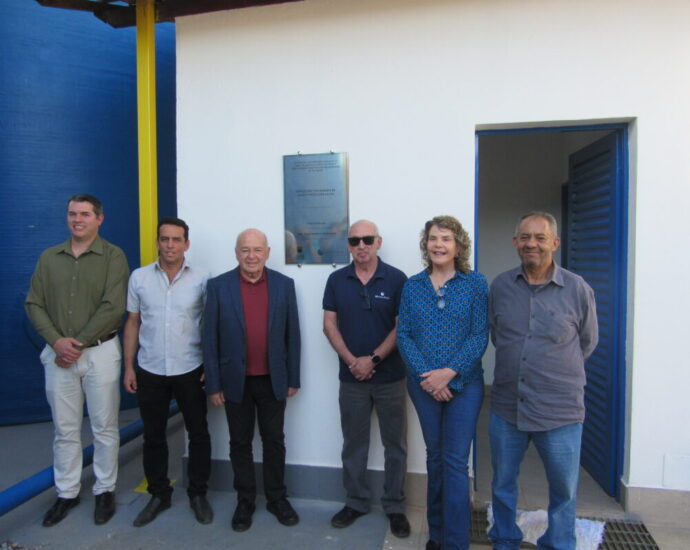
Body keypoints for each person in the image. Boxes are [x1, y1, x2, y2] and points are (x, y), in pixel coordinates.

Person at [488, 211, 598, 550]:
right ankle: (505, 539)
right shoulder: (501, 286)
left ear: (555, 243)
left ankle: (559, 543)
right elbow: (498, 335)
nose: (531, 244)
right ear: (515, 242)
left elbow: (587, 342)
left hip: (559, 410)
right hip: (508, 407)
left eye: (540, 237)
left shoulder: (577, 288)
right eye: (525, 237)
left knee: (564, 490)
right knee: (502, 483)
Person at [25, 194, 129, 527]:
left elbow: (113, 307)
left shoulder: (113, 257)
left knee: (104, 427)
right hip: (58, 355)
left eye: (84, 214)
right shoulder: (49, 258)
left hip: (99, 353)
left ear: (99, 218)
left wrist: (77, 344)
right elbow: (34, 304)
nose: (77, 220)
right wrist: (57, 342)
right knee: (65, 429)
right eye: (72, 214)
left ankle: (104, 489)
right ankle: (67, 492)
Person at [397, 215, 489, 550]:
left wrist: (449, 372)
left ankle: (455, 542)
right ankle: (436, 535)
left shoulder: (475, 283)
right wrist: (428, 377)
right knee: (435, 458)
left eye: (446, 238)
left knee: (454, 461)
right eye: (434, 238)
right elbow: (404, 335)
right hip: (423, 386)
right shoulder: (413, 286)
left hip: (466, 385)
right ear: (426, 245)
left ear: (458, 245)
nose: (439, 244)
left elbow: (480, 335)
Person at [203, 228, 301, 531]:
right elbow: (209, 339)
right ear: (236, 253)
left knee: (274, 441)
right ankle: (245, 500)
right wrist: (214, 384)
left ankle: (277, 498)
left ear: (267, 252)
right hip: (235, 381)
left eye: (257, 249)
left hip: (273, 379)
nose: (251, 256)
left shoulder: (284, 285)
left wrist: (293, 377)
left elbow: (293, 335)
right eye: (245, 249)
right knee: (240, 442)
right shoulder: (218, 287)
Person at [123, 217, 213, 527]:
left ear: (186, 244)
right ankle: (159, 494)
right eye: (165, 239)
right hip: (150, 369)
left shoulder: (203, 279)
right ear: (158, 242)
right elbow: (133, 322)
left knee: (198, 433)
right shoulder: (139, 278)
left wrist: (210, 366)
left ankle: (198, 494)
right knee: (153, 436)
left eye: (177, 239)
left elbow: (211, 325)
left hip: (190, 368)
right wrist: (129, 367)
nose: (170, 245)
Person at [322, 220, 410, 537]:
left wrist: (372, 359)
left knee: (395, 444)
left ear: (378, 242)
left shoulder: (397, 279)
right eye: (355, 240)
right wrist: (352, 362)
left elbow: (402, 327)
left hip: (391, 378)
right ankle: (356, 502)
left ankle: (395, 506)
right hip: (351, 380)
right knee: (354, 444)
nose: (361, 245)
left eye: (368, 239)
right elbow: (329, 325)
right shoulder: (336, 280)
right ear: (348, 245)